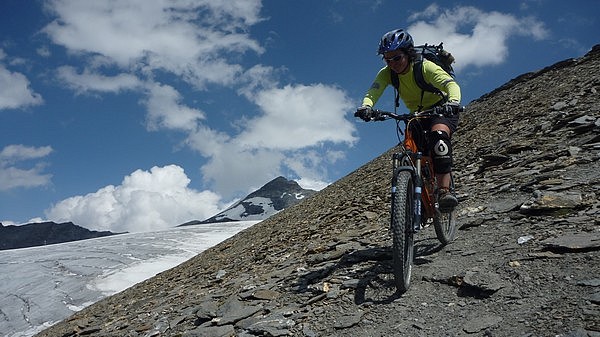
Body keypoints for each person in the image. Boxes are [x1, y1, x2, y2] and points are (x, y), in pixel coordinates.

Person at [356, 29, 461, 209]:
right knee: (409, 150)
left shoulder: (424, 66)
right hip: (416, 115)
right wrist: (366, 107)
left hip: (441, 109)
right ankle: (413, 193)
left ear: (408, 53)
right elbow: (373, 91)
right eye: (387, 59)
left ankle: (445, 191)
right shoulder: (387, 73)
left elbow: (449, 84)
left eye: (396, 58)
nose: (392, 63)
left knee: (439, 138)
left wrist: (452, 102)